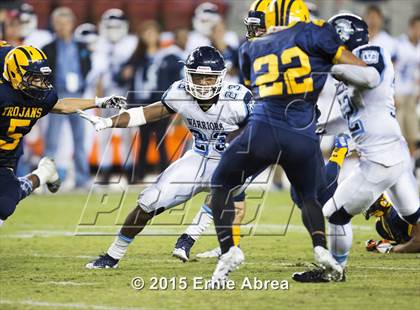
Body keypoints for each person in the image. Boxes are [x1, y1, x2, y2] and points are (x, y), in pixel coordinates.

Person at [208, 0, 367, 284]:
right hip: (303, 134)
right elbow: (357, 67)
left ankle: (228, 251)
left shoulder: (251, 46)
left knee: (221, 182)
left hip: (264, 129)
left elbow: (252, 86)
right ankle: (320, 249)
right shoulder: (316, 32)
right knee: (308, 197)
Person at [79, 46, 253, 269]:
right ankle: (112, 256)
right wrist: (108, 121)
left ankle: (188, 237)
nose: (202, 83)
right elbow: (146, 112)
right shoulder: (180, 92)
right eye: (197, 77)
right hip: (198, 156)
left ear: (220, 77)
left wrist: (238, 142)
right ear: (188, 74)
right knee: (148, 201)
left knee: (225, 183)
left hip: (230, 158)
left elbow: (257, 129)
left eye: (208, 78)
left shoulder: (237, 99)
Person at [294, 14, 420, 283]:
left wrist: (330, 66)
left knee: (335, 214)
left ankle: (335, 271)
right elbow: (351, 116)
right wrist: (319, 127)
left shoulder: (368, 52)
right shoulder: (347, 70)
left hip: (380, 158)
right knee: (412, 214)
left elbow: (371, 77)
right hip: (390, 152)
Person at [0, 44, 126, 226]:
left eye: (42, 79)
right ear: (14, 74)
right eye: (34, 78)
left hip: (6, 158)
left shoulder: (42, 97)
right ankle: (44, 173)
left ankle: (43, 173)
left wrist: (99, 102)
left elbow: (62, 106)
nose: (40, 84)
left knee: (4, 207)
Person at [42, 7, 91, 189]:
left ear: (72, 24)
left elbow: (87, 66)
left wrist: (82, 83)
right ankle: (46, 178)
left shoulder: (81, 46)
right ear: (54, 25)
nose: (62, 27)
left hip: (76, 94)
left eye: (66, 23)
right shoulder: (48, 48)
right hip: (57, 96)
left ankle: (83, 179)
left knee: (80, 138)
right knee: (52, 140)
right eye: (59, 23)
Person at [394, 15, 420, 155]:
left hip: (413, 93)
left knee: (412, 130)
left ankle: (411, 162)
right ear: (410, 28)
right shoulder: (399, 43)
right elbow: (390, 67)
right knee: (398, 128)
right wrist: (391, 91)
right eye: (416, 27)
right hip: (399, 91)